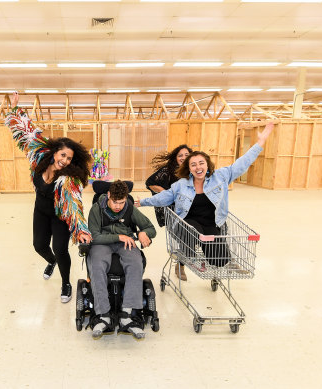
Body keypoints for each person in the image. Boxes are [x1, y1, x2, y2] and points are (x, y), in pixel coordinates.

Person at [136, 123, 274, 269]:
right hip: (187, 224)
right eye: (193, 165)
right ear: (189, 169)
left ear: (207, 165)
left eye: (201, 163)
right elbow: (163, 197)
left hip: (211, 224)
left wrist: (260, 143)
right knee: (193, 230)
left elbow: (241, 164)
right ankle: (190, 254)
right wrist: (143, 202)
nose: (198, 167)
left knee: (220, 261)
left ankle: (204, 250)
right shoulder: (181, 184)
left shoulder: (220, 177)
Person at [5, 92, 92, 303]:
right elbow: (27, 132)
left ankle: (66, 283)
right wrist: (15, 109)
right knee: (39, 246)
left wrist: (81, 230)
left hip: (59, 217)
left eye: (69, 158)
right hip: (41, 211)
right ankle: (50, 261)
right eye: (63, 155)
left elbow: (74, 206)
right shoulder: (39, 158)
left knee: (60, 249)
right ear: (54, 153)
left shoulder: (68, 180)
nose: (65, 160)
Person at [87, 180, 156, 340]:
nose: (118, 206)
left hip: (126, 242)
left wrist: (142, 233)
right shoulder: (97, 209)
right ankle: (103, 315)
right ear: (108, 196)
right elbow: (95, 236)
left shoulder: (129, 208)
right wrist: (119, 236)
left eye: (122, 202)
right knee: (97, 264)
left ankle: (127, 314)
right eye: (115, 202)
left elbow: (150, 228)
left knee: (135, 263)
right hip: (102, 242)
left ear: (127, 198)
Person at [145, 144, 193, 281]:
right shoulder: (168, 170)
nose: (183, 157)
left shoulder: (194, 170)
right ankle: (181, 265)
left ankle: (220, 259)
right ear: (175, 158)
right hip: (173, 211)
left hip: (190, 210)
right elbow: (150, 182)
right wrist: (166, 193)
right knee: (186, 235)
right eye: (180, 155)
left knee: (197, 233)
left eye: (186, 155)